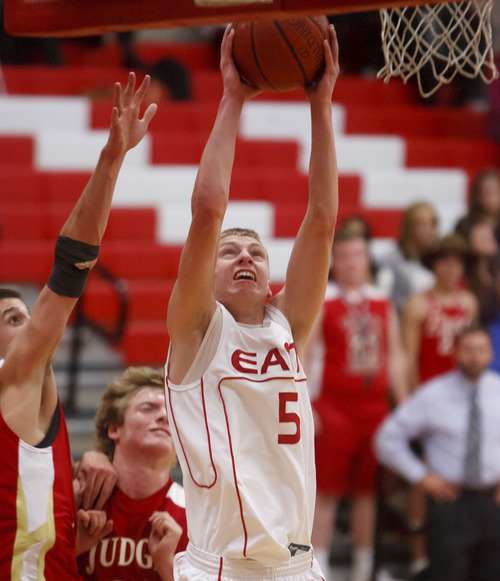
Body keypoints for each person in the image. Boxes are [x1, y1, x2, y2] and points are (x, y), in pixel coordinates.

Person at [165, 23, 339, 581]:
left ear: (270, 278)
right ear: (207, 277)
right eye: (229, 253)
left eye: (256, 253)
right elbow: (209, 211)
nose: (244, 257)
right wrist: (232, 97)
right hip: (221, 567)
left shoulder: (289, 325)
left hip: (298, 564)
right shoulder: (195, 330)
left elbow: (321, 223)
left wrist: (321, 105)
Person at [0, 72, 157, 580]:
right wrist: (112, 159)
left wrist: (65, 498)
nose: (30, 325)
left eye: (26, 315)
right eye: (11, 319)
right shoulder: (13, 376)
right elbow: (69, 270)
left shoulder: (28, 396)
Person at [306, 230, 409, 581]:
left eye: (358, 255)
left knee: (369, 492)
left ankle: (366, 568)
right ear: (335, 261)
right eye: (345, 256)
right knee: (326, 493)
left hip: (375, 409)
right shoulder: (323, 301)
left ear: (368, 260)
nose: (351, 262)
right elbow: (304, 354)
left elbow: (395, 356)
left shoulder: (382, 302)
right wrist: (308, 406)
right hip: (333, 409)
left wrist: (404, 406)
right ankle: (317, 568)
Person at [375, 325, 500, 581]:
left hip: (493, 502)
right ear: (455, 353)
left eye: (481, 350)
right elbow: (387, 438)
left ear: (491, 354)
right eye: (468, 350)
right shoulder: (434, 394)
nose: (475, 356)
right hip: (450, 502)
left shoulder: (497, 390)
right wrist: (421, 476)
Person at [77, 366, 188, 581]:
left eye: (171, 412)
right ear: (114, 428)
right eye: (148, 408)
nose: (164, 416)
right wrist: (70, 549)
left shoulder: (194, 513)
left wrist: (167, 566)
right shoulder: (81, 496)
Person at [402, 233, 478, 389]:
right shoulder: (418, 303)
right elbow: (408, 357)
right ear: (433, 265)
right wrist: (414, 394)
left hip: (462, 386)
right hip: (428, 386)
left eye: (457, 263)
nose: (451, 269)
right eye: (445, 263)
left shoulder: (469, 302)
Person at [376, 201, 438, 314]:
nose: (427, 230)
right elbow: (385, 298)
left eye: (431, 224)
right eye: (421, 224)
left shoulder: (441, 259)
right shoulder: (391, 261)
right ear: (408, 227)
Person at [455, 167, 500, 244]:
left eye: (494, 191)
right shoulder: (465, 224)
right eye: (485, 192)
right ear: (477, 196)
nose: (490, 197)